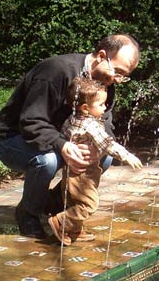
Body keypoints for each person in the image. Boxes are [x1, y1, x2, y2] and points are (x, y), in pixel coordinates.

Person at [0, 34, 140, 239]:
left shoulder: (105, 84)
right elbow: (31, 121)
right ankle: (28, 213)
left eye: (124, 76)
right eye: (118, 72)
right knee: (48, 160)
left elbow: (105, 125)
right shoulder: (55, 71)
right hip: (14, 139)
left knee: (104, 158)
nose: (117, 80)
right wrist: (63, 146)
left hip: (57, 141)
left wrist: (91, 150)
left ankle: (54, 207)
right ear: (101, 55)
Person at [48, 77, 142, 245]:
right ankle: (61, 222)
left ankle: (74, 230)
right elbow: (107, 144)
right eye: (101, 104)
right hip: (84, 172)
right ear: (85, 108)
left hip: (70, 170)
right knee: (88, 204)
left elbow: (64, 134)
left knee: (73, 201)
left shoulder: (71, 119)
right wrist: (127, 156)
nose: (105, 107)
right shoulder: (91, 125)